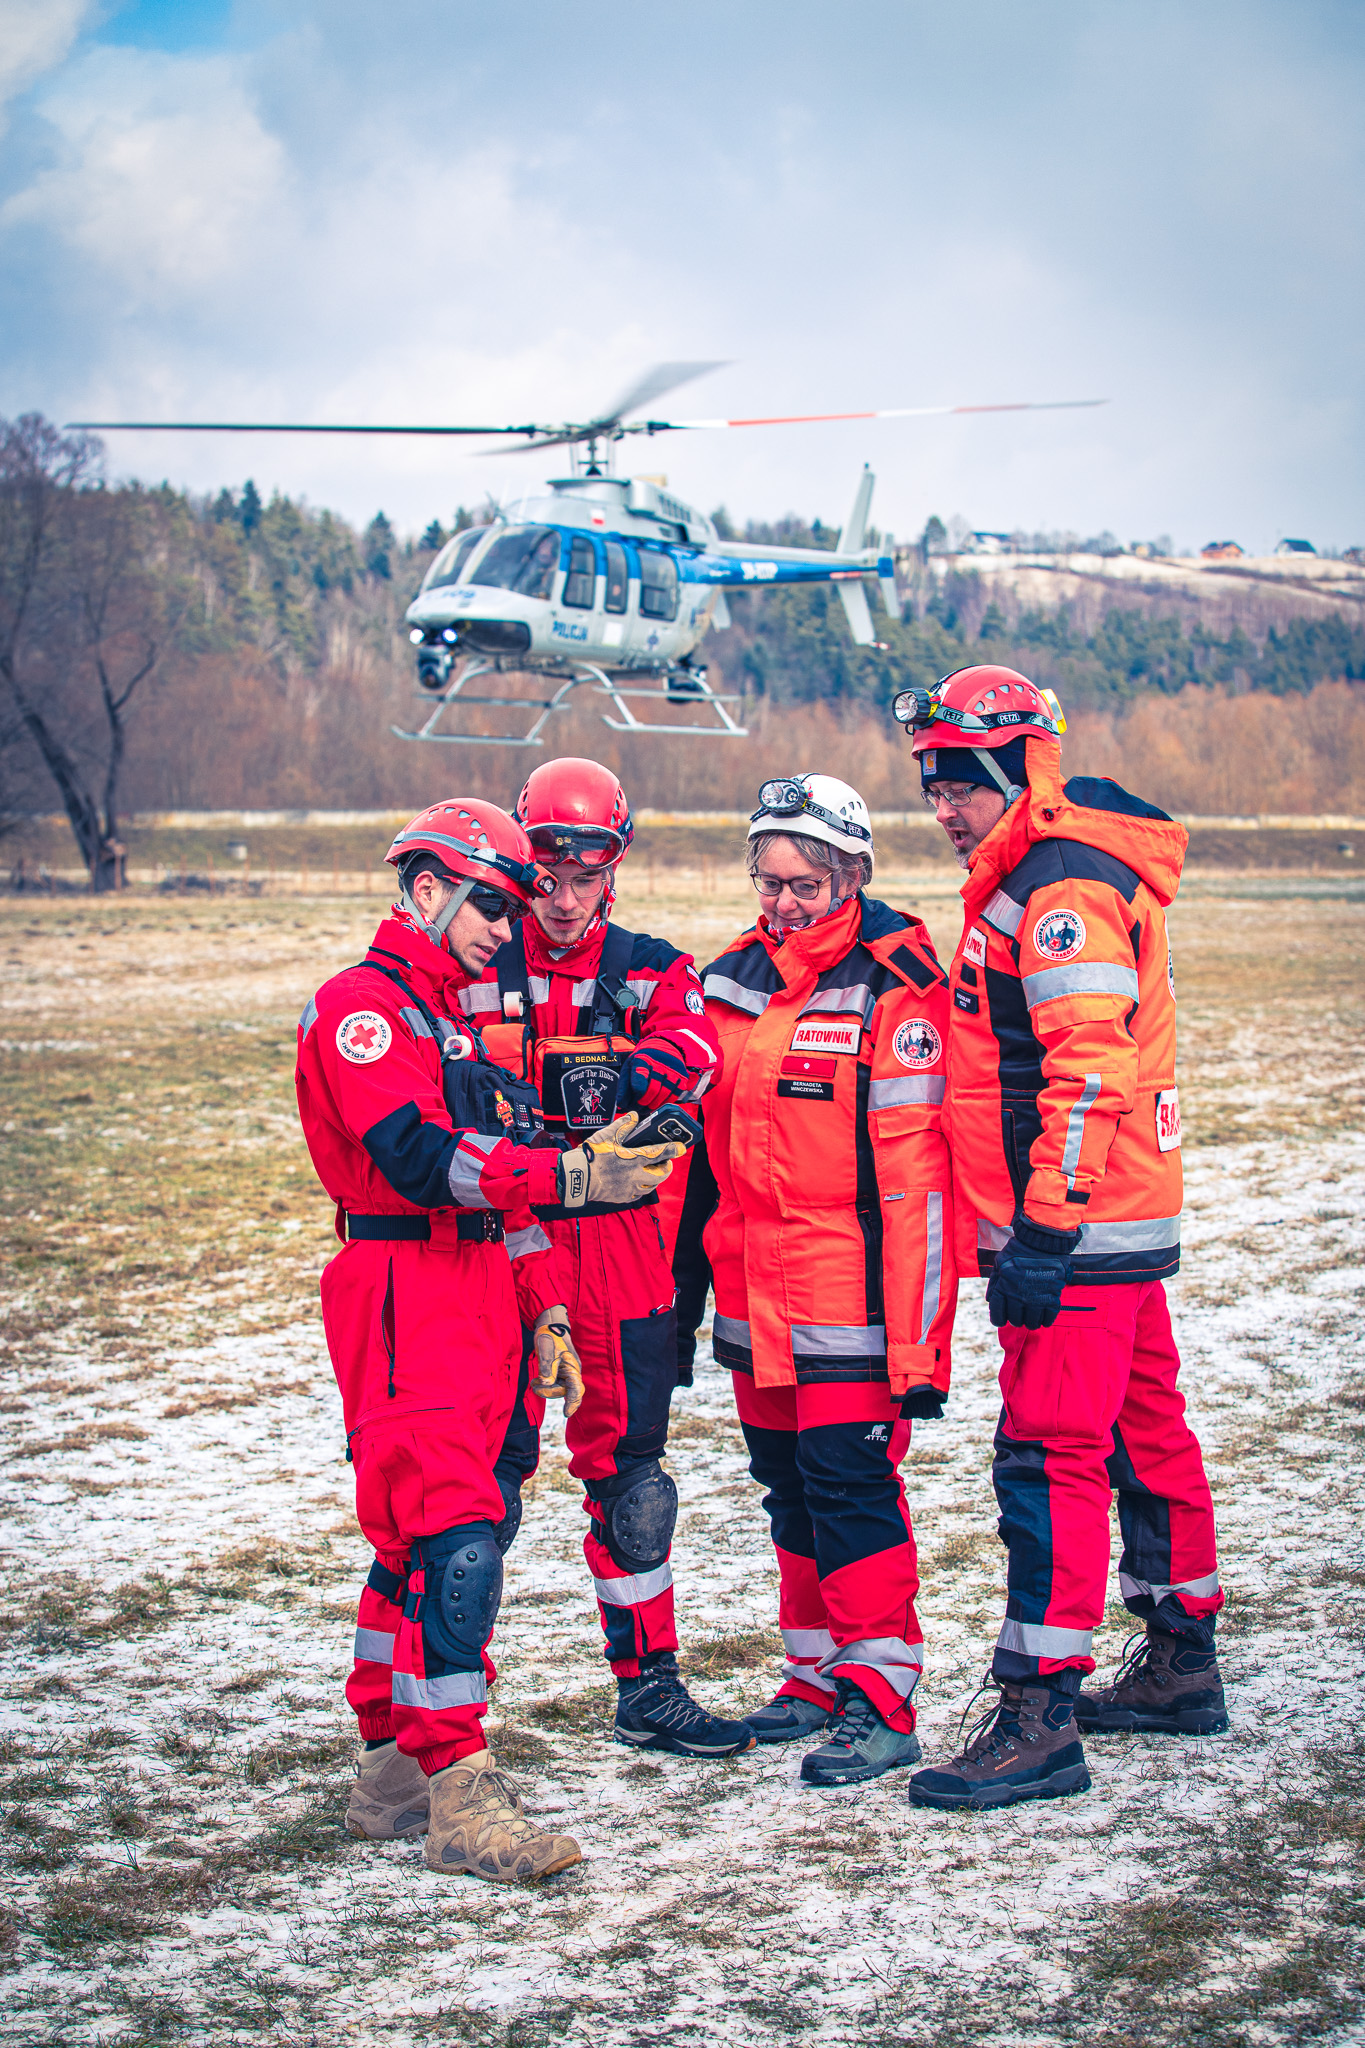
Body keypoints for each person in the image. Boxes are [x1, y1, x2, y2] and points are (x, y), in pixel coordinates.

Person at [295, 798, 681, 1879]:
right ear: (427, 889)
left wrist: (544, 1300)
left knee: (415, 1544)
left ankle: (390, 1769)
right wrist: (570, 1173)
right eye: (493, 907)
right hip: (403, 1288)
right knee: (456, 1538)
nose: (507, 930)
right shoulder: (363, 1010)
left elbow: (495, 1196)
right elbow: (421, 1158)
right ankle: (460, 1787)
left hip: (477, 1289)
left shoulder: (450, 1021)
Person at [891, 666, 1228, 1815]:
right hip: (1117, 1220)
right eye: (931, 783)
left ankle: (1038, 1714)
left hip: (1077, 1229)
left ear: (1019, 770)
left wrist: (1042, 1226)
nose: (943, 805)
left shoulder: (1058, 884)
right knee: (1145, 1432)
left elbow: (1089, 1068)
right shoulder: (1049, 869)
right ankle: (1182, 1657)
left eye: (960, 782)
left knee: (1049, 1455)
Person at [464, 758, 754, 1759]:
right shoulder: (471, 959)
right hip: (500, 1238)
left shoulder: (651, 966)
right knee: (483, 1486)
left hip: (621, 1250)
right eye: (545, 876)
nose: (561, 899)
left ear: (614, 868)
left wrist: (607, 1080)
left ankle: (649, 1685)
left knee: (633, 1486)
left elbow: (695, 1051)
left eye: (584, 877)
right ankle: (449, 1716)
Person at [673, 774, 957, 1785]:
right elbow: (697, 1164)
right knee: (787, 1490)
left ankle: (881, 1696)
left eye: (804, 884)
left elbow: (917, 1181)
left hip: (852, 1303)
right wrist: (680, 1306)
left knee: (849, 1489)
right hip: (753, 1299)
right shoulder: (728, 978)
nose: (784, 902)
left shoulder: (898, 981)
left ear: (852, 873)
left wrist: (919, 1348)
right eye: (769, 881)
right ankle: (814, 1676)